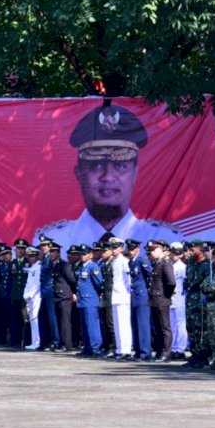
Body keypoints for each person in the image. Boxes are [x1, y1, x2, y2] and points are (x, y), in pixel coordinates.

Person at [35, 101, 182, 247]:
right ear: (79, 174)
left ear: (135, 173)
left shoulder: (166, 240)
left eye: (120, 166)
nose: (108, 177)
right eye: (97, 165)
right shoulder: (51, 241)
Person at [184, 239, 212, 367]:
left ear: (200, 249)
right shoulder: (191, 263)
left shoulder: (206, 265)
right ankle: (195, 354)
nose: (190, 252)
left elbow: (202, 283)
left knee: (201, 329)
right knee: (191, 328)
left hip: (200, 300)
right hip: (190, 300)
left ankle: (203, 356)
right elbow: (188, 280)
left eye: (192, 249)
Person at [147, 239, 176, 362]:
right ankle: (159, 351)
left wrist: (166, 296)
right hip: (155, 299)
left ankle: (166, 353)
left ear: (161, 249)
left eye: (154, 250)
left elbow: (171, 282)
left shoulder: (165, 262)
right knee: (157, 327)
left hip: (162, 299)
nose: (151, 252)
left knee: (165, 327)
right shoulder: (158, 263)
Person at [75, 244, 104, 357]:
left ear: (90, 255)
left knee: (92, 326)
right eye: (81, 254)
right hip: (82, 300)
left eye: (85, 254)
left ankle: (95, 348)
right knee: (85, 326)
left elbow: (99, 283)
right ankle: (87, 347)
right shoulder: (83, 266)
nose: (82, 256)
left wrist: (95, 296)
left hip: (90, 300)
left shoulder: (93, 267)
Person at [109, 237, 134, 359]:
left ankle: (126, 349)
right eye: (112, 248)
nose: (113, 250)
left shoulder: (125, 261)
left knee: (124, 324)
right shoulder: (113, 261)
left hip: (124, 295)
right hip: (116, 295)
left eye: (115, 248)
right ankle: (119, 349)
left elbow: (129, 280)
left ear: (121, 248)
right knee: (117, 325)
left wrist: (128, 294)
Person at [127, 238, 152, 360]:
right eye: (129, 249)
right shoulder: (131, 261)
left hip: (142, 295)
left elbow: (151, 275)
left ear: (138, 249)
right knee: (135, 324)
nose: (130, 251)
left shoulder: (142, 260)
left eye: (132, 249)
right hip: (134, 295)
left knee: (143, 325)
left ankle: (145, 352)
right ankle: (137, 351)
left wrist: (149, 291)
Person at [50, 242, 77, 352]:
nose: (51, 254)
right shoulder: (53, 264)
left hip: (64, 295)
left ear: (58, 253)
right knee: (59, 321)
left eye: (53, 251)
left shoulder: (63, 264)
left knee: (65, 322)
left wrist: (73, 292)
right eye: (50, 251)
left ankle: (68, 344)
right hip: (56, 295)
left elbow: (72, 279)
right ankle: (61, 343)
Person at [9, 238, 29, 348]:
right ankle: (15, 340)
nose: (20, 251)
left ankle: (25, 340)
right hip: (14, 295)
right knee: (14, 319)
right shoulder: (12, 264)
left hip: (24, 296)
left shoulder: (28, 263)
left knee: (25, 319)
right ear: (15, 250)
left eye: (22, 249)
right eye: (18, 249)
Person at [169, 242, 188, 360]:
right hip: (170, 298)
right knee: (172, 324)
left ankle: (180, 348)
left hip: (180, 298)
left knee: (181, 324)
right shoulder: (169, 265)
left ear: (181, 255)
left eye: (177, 254)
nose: (174, 256)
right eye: (173, 253)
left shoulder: (182, 267)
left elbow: (185, 283)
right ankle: (173, 348)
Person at [23, 246, 43, 350]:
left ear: (37, 256)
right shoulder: (32, 268)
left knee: (35, 318)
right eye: (29, 256)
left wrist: (30, 294)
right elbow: (28, 283)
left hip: (36, 296)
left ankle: (38, 341)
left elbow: (37, 283)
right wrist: (25, 295)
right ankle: (34, 341)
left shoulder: (39, 266)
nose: (31, 258)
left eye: (33, 256)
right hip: (29, 297)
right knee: (31, 319)